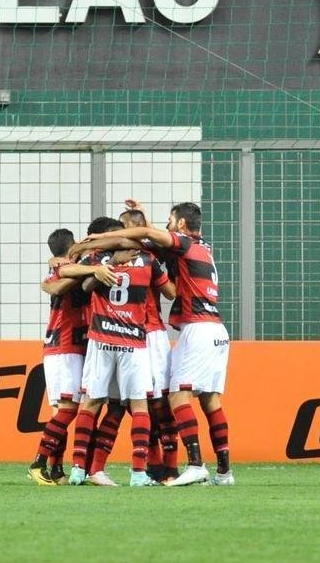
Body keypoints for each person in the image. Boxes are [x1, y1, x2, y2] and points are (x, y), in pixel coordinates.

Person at [74, 200, 233, 487]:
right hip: (205, 329)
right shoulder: (201, 245)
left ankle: (177, 467)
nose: (166, 226)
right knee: (131, 404)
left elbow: (154, 254)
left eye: (170, 221)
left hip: (163, 332)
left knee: (165, 402)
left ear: (181, 225)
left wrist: (96, 240)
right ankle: (220, 471)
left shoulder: (162, 249)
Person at [59, 223, 170, 487]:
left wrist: (96, 268)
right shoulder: (150, 259)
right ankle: (138, 472)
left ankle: (77, 468)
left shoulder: (99, 258)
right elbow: (169, 291)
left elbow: (69, 274)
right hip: (133, 342)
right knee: (139, 405)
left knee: (92, 402)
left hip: (102, 339)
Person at [28, 228, 91, 485]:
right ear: (72, 245)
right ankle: (38, 463)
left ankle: (56, 469)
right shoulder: (71, 269)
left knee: (60, 411)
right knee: (69, 409)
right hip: (66, 346)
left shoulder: (60, 267)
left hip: (59, 346)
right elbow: (55, 287)